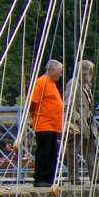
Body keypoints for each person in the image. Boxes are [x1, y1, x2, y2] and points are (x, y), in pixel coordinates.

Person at [62, 60, 99, 184]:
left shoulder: (85, 85)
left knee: (91, 148)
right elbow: (67, 104)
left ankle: (97, 176)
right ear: (83, 72)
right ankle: (73, 177)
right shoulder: (73, 84)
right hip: (77, 123)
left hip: (88, 123)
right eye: (89, 73)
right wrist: (77, 118)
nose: (91, 75)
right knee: (73, 150)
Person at [29, 59, 64, 188]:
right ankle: (40, 178)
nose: (61, 75)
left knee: (52, 152)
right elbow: (33, 102)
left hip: (53, 125)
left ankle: (50, 177)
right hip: (44, 123)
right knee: (43, 152)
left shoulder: (52, 83)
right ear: (52, 70)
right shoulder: (42, 82)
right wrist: (34, 114)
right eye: (60, 72)